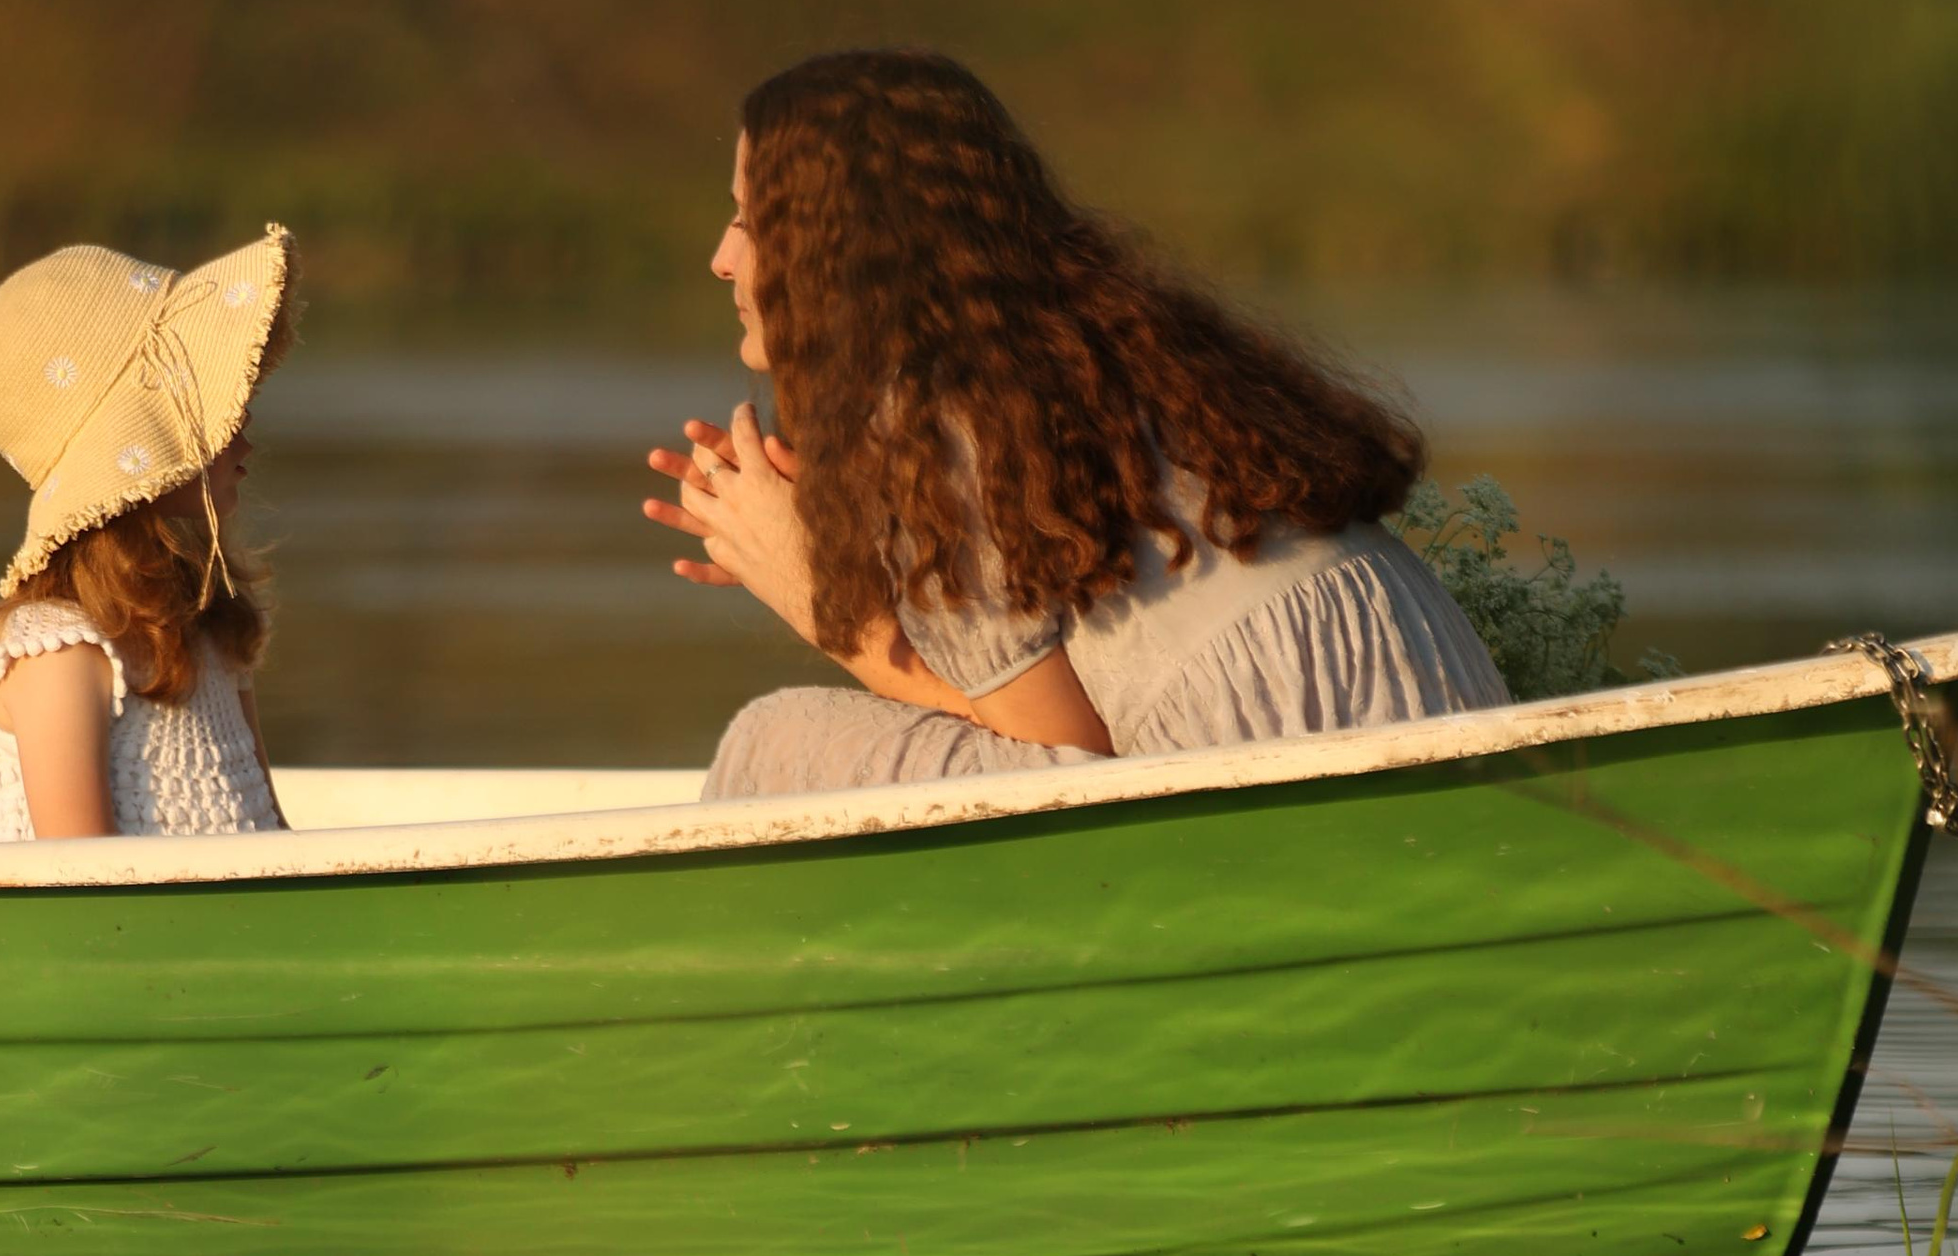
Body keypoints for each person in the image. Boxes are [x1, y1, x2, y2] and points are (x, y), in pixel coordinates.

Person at [641, 52, 1504, 799]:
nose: (723, 256)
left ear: (835, 249)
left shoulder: (926, 420)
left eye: (750, 221)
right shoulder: (1094, 343)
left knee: (775, 741)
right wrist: (846, 549)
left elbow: (1056, 761)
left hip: (1282, 775)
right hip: (1437, 713)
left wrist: (818, 600)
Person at [0, 224, 295, 840]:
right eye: (219, 410)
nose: (246, 427)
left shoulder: (207, 621)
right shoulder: (57, 652)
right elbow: (87, 889)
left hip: (238, 933)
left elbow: (274, 838)